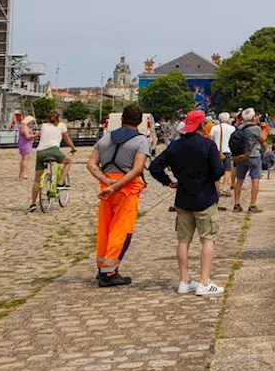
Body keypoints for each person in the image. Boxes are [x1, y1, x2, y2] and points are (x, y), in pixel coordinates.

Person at [148, 109, 225, 297]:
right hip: (205, 197)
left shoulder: (175, 146)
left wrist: (169, 182)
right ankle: (204, 282)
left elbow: (154, 167)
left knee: (183, 240)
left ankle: (184, 281)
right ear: (201, 125)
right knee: (207, 239)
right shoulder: (208, 146)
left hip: (183, 197)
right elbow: (217, 172)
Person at [86, 104, 152, 287]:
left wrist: (107, 182)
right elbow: (137, 169)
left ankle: (102, 267)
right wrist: (116, 186)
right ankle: (109, 273)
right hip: (127, 190)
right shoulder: (141, 141)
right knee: (121, 230)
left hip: (106, 190)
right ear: (139, 122)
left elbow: (91, 164)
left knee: (105, 228)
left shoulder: (106, 139)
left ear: (122, 119)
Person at [28, 111, 77, 211]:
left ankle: (33, 203)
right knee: (68, 162)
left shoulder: (44, 125)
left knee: (37, 179)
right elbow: (67, 139)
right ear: (58, 118)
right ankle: (60, 182)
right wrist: (73, 148)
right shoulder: (61, 125)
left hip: (41, 152)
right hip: (54, 151)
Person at [231, 108, 265, 213]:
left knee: (239, 180)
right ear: (253, 117)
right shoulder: (256, 128)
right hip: (254, 156)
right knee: (255, 180)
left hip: (241, 156)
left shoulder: (238, 127)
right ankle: (252, 205)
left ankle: (236, 204)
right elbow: (262, 140)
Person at [213, 112, 236, 207]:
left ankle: (217, 189)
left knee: (216, 170)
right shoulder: (232, 128)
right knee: (228, 170)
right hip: (228, 150)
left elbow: (210, 139)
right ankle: (225, 188)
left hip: (217, 152)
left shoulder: (214, 128)